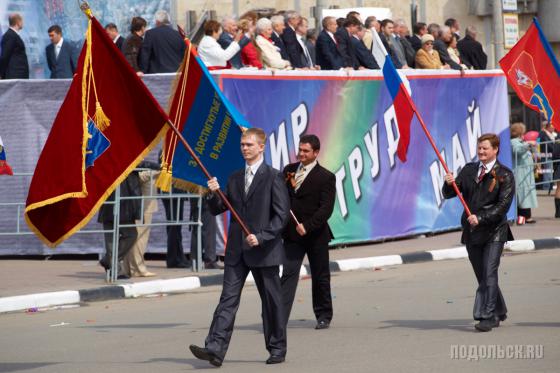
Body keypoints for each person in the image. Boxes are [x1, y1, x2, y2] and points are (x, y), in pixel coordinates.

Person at [189, 128, 290, 366]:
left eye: (249, 145)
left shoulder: (273, 177)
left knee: (271, 302)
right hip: (236, 251)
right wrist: (214, 193)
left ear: (261, 147)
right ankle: (214, 348)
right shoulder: (234, 177)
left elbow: (281, 215)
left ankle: (277, 348)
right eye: (243, 145)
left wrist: (262, 236)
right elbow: (218, 209)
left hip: (264, 251)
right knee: (228, 299)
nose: (245, 148)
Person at [442, 133, 514, 332]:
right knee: (482, 274)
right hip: (472, 231)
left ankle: (488, 316)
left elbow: (503, 206)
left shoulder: (505, 175)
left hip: (494, 231)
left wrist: (481, 217)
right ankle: (499, 309)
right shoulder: (469, 170)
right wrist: (448, 183)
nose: (481, 151)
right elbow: (450, 194)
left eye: (485, 148)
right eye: (479, 148)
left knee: (489, 271)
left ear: (495, 149)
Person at [281, 135, 336, 330]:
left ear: (315, 153)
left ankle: (323, 315)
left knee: (320, 275)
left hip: (316, 235)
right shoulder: (288, 171)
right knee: (288, 273)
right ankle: (279, 316)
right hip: (292, 235)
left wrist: (309, 225)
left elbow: (326, 208)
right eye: (300, 150)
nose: (301, 154)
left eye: (306, 151)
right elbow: (281, 197)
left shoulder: (326, 177)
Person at [98, 172, 142, 279]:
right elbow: (138, 162)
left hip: (109, 205)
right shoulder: (125, 160)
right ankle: (110, 262)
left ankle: (114, 269)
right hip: (121, 206)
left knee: (111, 240)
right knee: (130, 235)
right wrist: (160, 166)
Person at [122, 169, 159, 277]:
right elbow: (139, 176)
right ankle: (138, 269)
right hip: (142, 208)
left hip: (145, 207)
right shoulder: (140, 164)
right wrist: (158, 171)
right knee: (139, 240)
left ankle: (129, 269)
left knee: (135, 239)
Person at [510, 122, 538, 224]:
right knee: (522, 194)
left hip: (525, 172)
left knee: (525, 194)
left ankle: (525, 217)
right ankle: (525, 217)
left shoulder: (521, 141)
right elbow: (517, 150)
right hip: (520, 172)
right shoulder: (514, 142)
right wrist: (528, 144)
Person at [189, 188, 223, 269]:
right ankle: (209, 260)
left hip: (195, 191)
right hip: (203, 191)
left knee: (197, 227)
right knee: (208, 228)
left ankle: (196, 260)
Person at [0, 13, 29, 79]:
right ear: (18, 22)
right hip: (15, 75)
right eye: (22, 21)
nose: (23, 23)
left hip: (18, 75)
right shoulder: (10, 35)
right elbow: (5, 56)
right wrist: (1, 73)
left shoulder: (13, 35)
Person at [537, 121, 556, 194]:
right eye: (551, 127)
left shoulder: (552, 135)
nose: (553, 129)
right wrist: (537, 152)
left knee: (550, 172)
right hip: (546, 155)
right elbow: (538, 141)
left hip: (551, 155)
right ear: (547, 127)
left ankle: (549, 187)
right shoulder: (542, 133)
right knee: (548, 172)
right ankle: (546, 187)